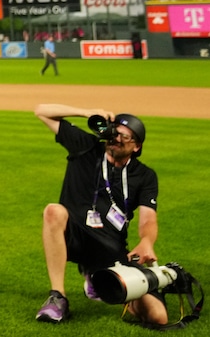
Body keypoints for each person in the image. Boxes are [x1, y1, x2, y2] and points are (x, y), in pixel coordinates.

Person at [33, 103, 163, 325]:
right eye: (114, 133)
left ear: (136, 147)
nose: (117, 139)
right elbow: (41, 111)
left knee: (157, 316)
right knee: (53, 211)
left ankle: (97, 277)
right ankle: (58, 296)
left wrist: (147, 241)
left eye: (125, 137)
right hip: (73, 236)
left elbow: (148, 218)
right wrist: (86, 112)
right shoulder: (86, 146)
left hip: (110, 248)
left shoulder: (144, 175)